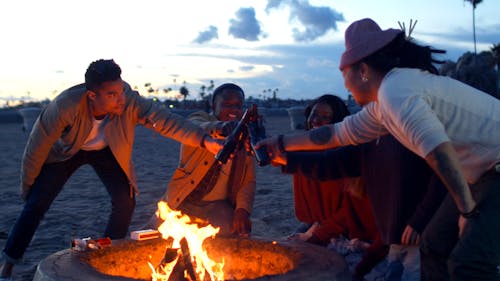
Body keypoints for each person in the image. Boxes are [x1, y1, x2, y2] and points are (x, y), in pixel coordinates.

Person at [258, 18, 500, 281]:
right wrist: (282, 144)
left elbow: (439, 153)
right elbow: (336, 134)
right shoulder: (383, 104)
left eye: (343, 74)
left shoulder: (395, 92)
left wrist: (467, 211)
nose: (345, 85)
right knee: (434, 246)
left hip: (495, 167)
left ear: (362, 70)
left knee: (470, 263)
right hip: (479, 175)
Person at [0, 59, 222, 280]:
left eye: (121, 90)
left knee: (125, 199)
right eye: (112, 94)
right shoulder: (65, 106)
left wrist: (203, 140)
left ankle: (108, 255)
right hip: (68, 151)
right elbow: (36, 147)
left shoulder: (130, 101)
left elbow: (165, 120)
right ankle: (8, 266)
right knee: (35, 204)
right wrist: (28, 187)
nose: (121, 98)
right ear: (92, 96)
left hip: (107, 151)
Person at [152, 83, 256, 237]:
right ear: (214, 106)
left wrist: (242, 210)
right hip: (184, 199)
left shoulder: (245, 137)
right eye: (227, 104)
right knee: (155, 237)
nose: (233, 110)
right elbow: (195, 125)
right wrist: (222, 127)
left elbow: (248, 180)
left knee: (230, 234)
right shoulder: (200, 119)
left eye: (238, 106)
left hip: (217, 205)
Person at [287, 94, 351, 237]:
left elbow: (347, 211)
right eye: (314, 114)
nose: (316, 120)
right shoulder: (301, 150)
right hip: (312, 222)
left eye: (325, 117)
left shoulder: (343, 155)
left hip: (342, 228)